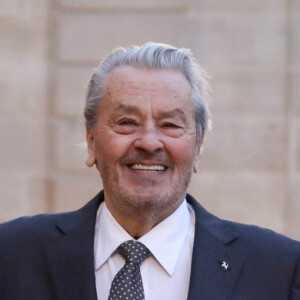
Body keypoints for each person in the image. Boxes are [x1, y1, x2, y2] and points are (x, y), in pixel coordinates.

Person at [0, 42, 300, 300]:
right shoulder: (11, 255)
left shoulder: (280, 270)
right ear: (91, 140)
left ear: (197, 146)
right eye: (127, 122)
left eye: (170, 124)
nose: (148, 142)